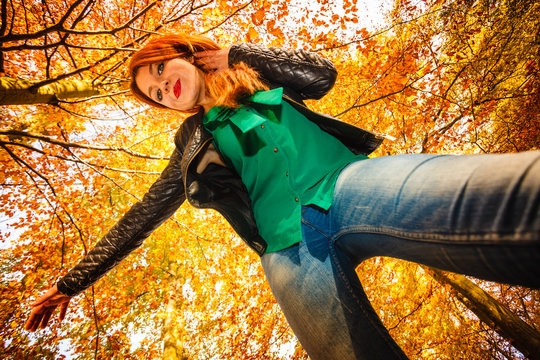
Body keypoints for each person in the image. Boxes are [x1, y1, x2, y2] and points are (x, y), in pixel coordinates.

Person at [25, 33, 540, 360]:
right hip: (289, 255)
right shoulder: (190, 144)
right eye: (155, 94)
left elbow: (323, 76)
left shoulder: (254, 75)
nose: (165, 89)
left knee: (497, 195)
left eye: (161, 71)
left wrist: (237, 55)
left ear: (183, 55)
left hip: (349, 187)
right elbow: (142, 215)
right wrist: (72, 283)